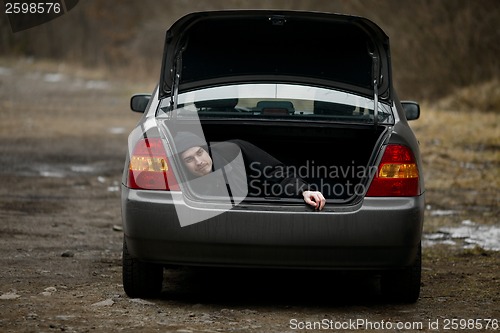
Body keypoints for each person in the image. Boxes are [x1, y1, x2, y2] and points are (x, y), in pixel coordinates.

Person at [174, 132, 326, 210]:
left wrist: (304, 190)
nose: (198, 162)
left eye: (200, 153)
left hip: (252, 210)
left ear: (207, 149)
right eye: (189, 160)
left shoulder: (235, 149)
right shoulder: (179, 180)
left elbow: (275, 171)